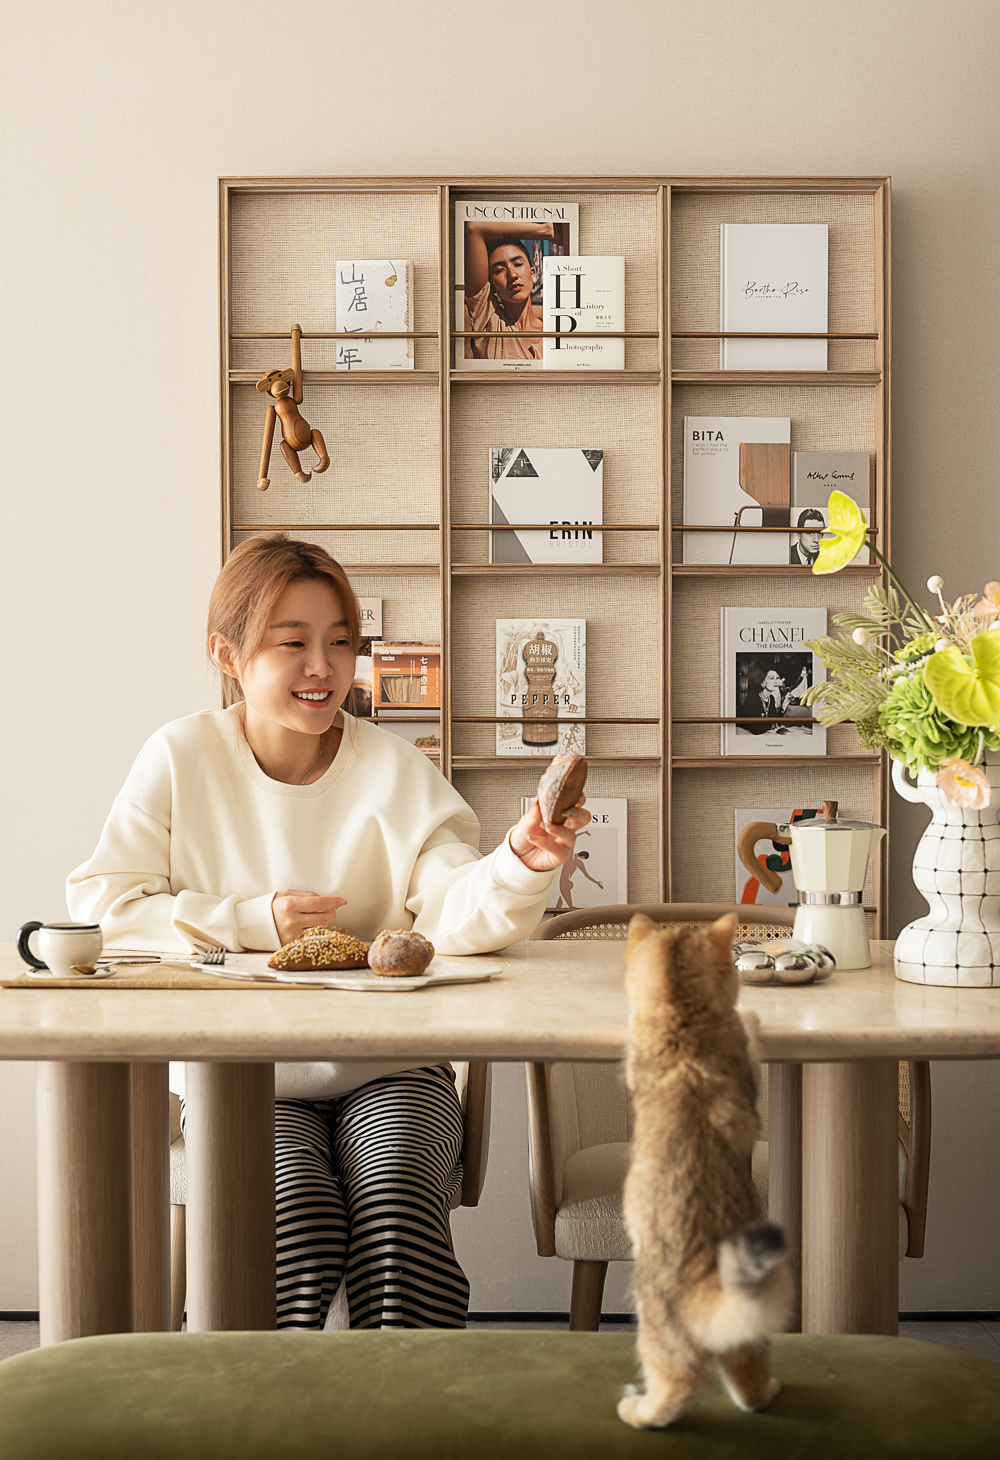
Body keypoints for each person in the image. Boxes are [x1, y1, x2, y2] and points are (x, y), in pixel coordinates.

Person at [66, 533, 588, 1331]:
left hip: (392, 1071)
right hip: (239, 1077)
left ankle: (408, 1422)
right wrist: (248, 919)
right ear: (227, 652)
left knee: (397, 1206)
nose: (324, 666)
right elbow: (104, 905)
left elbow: (452, 913)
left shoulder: (397, 770)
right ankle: (268, 1422)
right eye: (293, 643)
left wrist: (520, 860)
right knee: (289, 1217)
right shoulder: (179, 758)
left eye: (341, 643)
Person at [463, 219, 556, 361]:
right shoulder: (487, 324)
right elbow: (474, 228)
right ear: (491, 283)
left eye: (518, 264)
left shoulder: (556, 332)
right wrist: (546, 230)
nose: (512, 275)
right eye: (499, 270)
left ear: (533, 272)